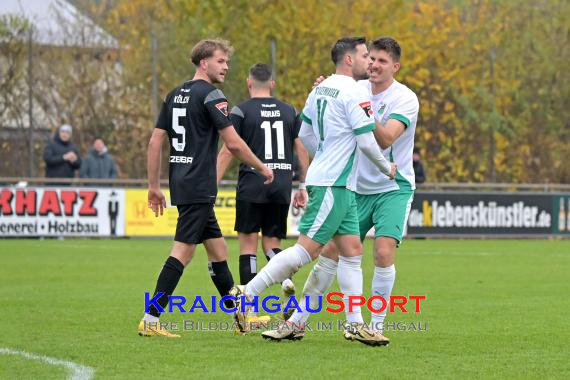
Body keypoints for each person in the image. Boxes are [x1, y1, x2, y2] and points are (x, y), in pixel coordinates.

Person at [230, 37, 396, 345]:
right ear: (348, 59)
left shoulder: (320, 89)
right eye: (364, 56)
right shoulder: (352, 92)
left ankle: (355, 324)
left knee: (352, 252)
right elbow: (365, 141)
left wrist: (326, 152)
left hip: (335, 181)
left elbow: (304, 133)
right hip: (334, 183)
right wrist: (386, 168)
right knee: (306, 250)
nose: (369, 62)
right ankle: (245, 293)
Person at [138, 39, 274, 338]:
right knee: (183, 253)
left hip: (182, 182)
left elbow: (155, 142)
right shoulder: (212, 95)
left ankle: (242, 315)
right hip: (199, 184)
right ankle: (151, 318)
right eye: (221, 61)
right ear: (204, 63)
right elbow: (234, 143)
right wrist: (262, 166)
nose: (226, 66)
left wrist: (153, 186)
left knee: (218, 249)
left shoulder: (174, 95)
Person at [299, 37, 420, 346]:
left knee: (382, 252)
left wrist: (358, 108)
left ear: (395, 66)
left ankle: (375, 325)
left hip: (392, 187)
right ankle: (297, 321)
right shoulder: (354, 89)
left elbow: (386, 139)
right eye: (372, 59)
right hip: (354, 186)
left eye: (382, 61)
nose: (375, 65)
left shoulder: (405, 98)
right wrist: (332, 91)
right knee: (330, 252)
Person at [216, 63, 309, 320]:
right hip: (281, 184)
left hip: (252, 182)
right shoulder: (290, 111)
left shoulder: (241, 111)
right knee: (272, 244)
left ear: (248, 83)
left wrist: (211, 184)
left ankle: (248, 308)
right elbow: (301, 148)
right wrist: (303, 184)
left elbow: (228, 149)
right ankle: (284, 282)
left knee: (248, 245)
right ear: (272, 84)